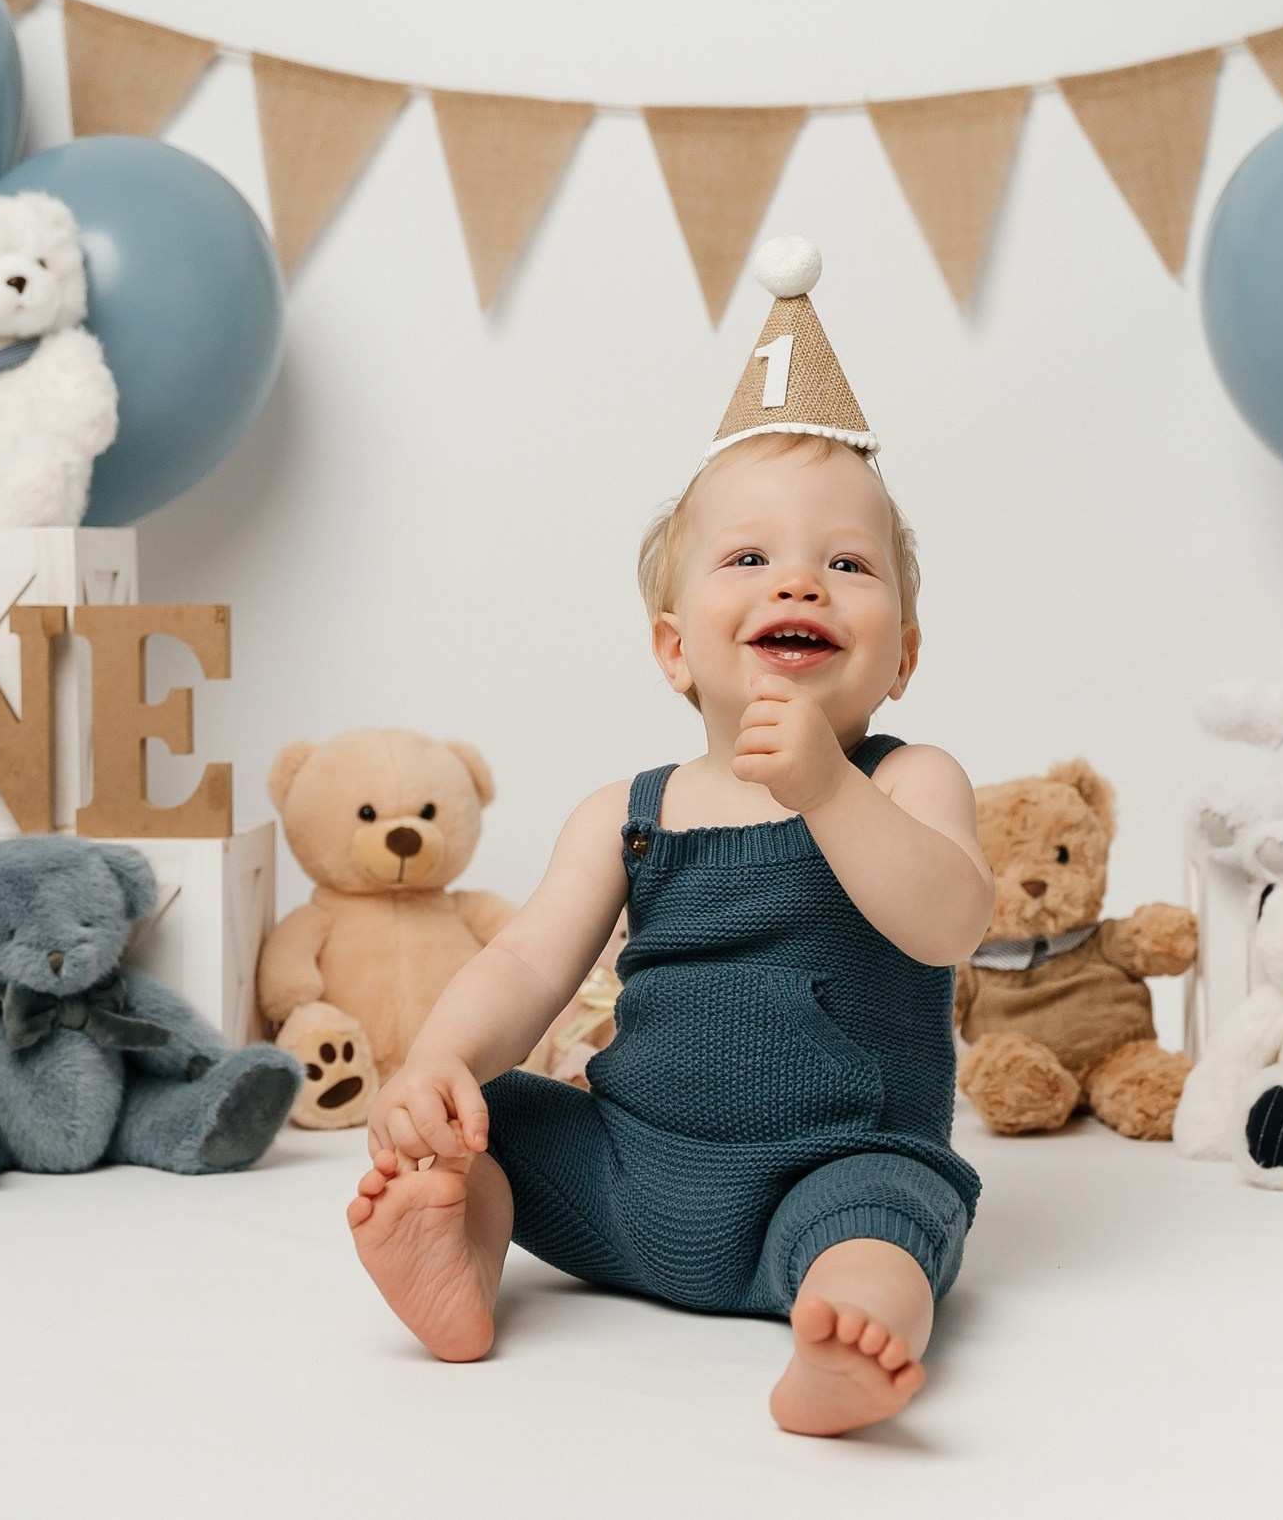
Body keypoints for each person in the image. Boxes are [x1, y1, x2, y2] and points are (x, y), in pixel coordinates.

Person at [347, 240, 992, 1436]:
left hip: (829, 1170)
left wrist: (828, 793)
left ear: (900, 656)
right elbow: (525, 964)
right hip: (625, 1170)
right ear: (673, 649)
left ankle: (848, 1337)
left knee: (888, 1220)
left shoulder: (905, 781)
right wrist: (437, 1062)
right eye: (748, 558)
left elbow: (950, 919)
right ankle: (465, 1250)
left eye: (845, 564)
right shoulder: (627, 812)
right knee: (500, 1126)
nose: (798, 581)